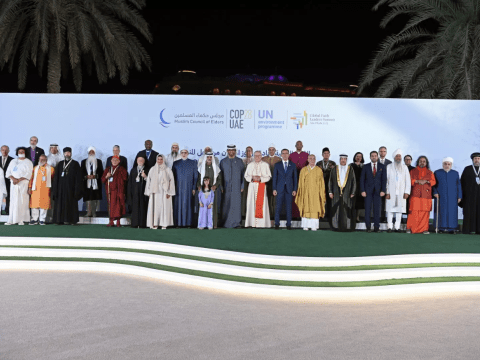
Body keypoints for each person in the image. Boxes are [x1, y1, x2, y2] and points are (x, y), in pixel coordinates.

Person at [52, 147, 83, 225]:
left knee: (71, 204)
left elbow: (78, 178)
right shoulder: (60, 164)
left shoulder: (75, 164)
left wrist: (77, 190)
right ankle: (59, 220)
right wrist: (55, 190)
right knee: (60, 204)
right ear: (63, 154)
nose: (67, 154)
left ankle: (72, 220)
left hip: (71, 188)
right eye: (65, 153)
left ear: (71, 153)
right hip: (61, 188)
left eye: (68, 152)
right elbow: (56, 178)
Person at [407, 156, 436, 234]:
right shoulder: (412, 171)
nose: (422, 162)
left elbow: (433, 182)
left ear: (426, 163)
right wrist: (417, 181)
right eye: (420, 161)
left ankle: (424, 229)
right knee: (413, 212)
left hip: (426, 196)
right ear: (418, 162)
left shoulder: (430, 172)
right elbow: (408, 180)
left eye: (424, 161)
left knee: (425, 213)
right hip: (415, 195)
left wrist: (426, 181)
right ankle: (410, 228)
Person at [145, 154, 175, 230]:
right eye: (158, 159)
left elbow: (171, 181)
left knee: (164, 208)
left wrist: (169, 192)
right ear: (156, 160)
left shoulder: (167, 169)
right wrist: (149, 192)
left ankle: (164, 224)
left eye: (161, 159)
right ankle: (155, 223)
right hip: (155, 192)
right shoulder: (152, 169)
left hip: (165, 192)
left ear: (163, 160)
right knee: (155, 208)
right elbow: (149, 181)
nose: (159, 161)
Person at [295, 154, 325, 231]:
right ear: (308, 160)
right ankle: (305, 225)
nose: (312, 160)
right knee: (306, 208)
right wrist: (301, 193)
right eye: (310, 158)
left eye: (313, 158)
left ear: (315, 160)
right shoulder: (303, 170)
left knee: (315, 208)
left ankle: (314, 226)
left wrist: (321, 194)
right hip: (306, 194)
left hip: (316, 194)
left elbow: (322, 184)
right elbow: (300, 184)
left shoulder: (319, 170)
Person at [4, 147, 33, 225]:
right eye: (19, 151)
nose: (21, 152)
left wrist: (19, 180)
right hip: (13, 184)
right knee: (13, 201)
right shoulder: (13, 161)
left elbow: (29, 173)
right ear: (17, 152)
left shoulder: (28, 162)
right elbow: (8, 172)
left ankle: (21, 220)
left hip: (23, 184)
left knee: (22, 201)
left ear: (25, 152)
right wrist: (13, 179)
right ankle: (11, 219)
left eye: (22, 151)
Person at [385, 149, 411, 232]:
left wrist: (407, 192)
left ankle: (397, 227)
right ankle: (389, 227)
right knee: (390, 210)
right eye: (397, 156)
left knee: (399, 210)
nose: (398, 158)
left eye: (399, 156)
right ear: (394, 157)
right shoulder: (389, 167)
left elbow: (408, 180)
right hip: (391, 192)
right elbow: (386, 180)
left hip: (401, 192)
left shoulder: (404, 167)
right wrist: (387, 192)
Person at [434, 157, 462, 234]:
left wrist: (459, 196)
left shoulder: (455, 173)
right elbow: (433, 184)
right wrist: (435, 192)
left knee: (452, 212)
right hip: (440, 196)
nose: (447, 165)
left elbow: (459, 185)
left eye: (448, 164)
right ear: (443, 164)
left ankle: (452, 229)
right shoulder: (437, 172)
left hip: (453, 196)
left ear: (451, 165)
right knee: (441, 211)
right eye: (445, 164)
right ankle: (440, 228)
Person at [360, 151, 387, 232]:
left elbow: (384, 179)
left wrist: (383, 190)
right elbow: (362, 180)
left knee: (377, 210)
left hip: (378, 192)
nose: (374, 157)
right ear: (370, 157)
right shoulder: (365, 166)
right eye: (372, 156)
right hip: (367, 191)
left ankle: (376, 227)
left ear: (377, 157)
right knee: (367, 210)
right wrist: (362, 190)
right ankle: (368, 227)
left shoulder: (382, 166)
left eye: (375, 156)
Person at [329, 154, 357, 232]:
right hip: (336, 193)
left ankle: (347, 227)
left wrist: (353, 192)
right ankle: (335, 227)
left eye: (345, 159)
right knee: (336, 210)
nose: (343, 160)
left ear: (346, 160)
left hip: (347, 194)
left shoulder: (350, 169)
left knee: (346, 210)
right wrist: (330, 192)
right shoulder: (334, 169)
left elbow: (353, 182)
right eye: (342, 159)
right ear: (340, 160)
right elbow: (330, 181)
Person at [244, 150, 272, 228]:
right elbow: (246, 176)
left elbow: (269, 177)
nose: (257, 157)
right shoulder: (250, 165)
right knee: (251, 204)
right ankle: (251, 223)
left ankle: (261, 224)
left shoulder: (265, 165)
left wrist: (261, 179)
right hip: (252, 186)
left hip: (261, 186)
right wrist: (252, 178)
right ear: (253, 156)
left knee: (262, 205)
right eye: (255, 156)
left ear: (261, 156)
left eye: (259, 156)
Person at [220, 144, 245, 228]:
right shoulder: (223, 161)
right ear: (227, 151)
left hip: (237, 187)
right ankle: (225, 223)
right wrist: (221, 186)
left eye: (233, 150)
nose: (231, 152)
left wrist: (242, 186)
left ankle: (236, 223)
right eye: (229, 150)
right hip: (226, 187)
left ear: (235, 151)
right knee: (226, 204)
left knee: (236, 205)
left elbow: (243, 175)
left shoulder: (239, 161)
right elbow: (220, 176)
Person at [172, 147, 198, 227]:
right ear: (180, 154)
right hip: (178, 188)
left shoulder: (193, 163)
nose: (183, 154)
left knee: (188, 204)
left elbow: (195, 177)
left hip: (189, 188)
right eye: (182, 153)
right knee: (178, 205)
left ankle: (188, 223)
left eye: (185, 153)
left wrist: (194, 188)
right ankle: (178, 223)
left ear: (188, 154)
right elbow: (173, 177)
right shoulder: (176, 163)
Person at [272, 148, 298, 230]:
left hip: (289, 190)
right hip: (279, 189)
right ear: (281, 155)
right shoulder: (277, 165)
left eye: (286, 153)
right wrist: (274, 189)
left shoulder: (293, 165)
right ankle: (276, 224)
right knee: (278, 207)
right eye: (283, 153)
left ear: (288, 154)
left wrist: (294, 189)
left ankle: (289, 224)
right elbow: (274, 178)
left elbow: (295, 179)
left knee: (289, 207)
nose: (285, 155)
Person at [197, 152, 222, 228]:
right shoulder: (201, 168)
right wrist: (198, 186)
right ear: (206, 158)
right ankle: (202, 224)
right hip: (203, 190)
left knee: (212, 206)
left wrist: (215, 186)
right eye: (208, 157)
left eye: (211, 157)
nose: (209, 158)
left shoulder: (216, 168)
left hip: (212, 191)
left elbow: (219, 179)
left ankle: (213, 224)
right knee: (203, 207)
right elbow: (198, 179)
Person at [101, 155, 128, 227]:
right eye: (113, 160)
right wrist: (107, 176)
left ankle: (118, 221)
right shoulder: (107, 169)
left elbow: (125, 179)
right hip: (110, 191)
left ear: (119, 161)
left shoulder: (122, 169)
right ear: (111, 161)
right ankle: (111, 221)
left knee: (119, 206)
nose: (114, 161)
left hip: (119, 191)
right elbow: (103, 180)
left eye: (116, 160)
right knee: (111, 206)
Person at [28, 155, 55, 225]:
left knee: (44, 205)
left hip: (46, 189)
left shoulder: (51, 168)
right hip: (35, 189)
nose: (42, 160)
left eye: (44, 159)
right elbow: (32, 178)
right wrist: (30, 187)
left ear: (46, 160)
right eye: (41, 159)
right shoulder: (35, 168)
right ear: (38, 159)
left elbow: (54, 179)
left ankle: (42, 220)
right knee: (34, 205)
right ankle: (34, 219)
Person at [460, 152, 480, 234]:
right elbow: (462, 182)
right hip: (469, 196)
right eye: (475, 159)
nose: (477, 160)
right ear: (472, 160)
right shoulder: (467, 169)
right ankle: (467, 230)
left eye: (478, 159)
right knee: (468, 212)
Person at [81, 146, 104, 217]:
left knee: (95, 198)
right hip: (87, 183)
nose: (91, 153)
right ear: (88, 153)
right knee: (88, 198)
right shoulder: (83, 161)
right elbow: (81, 172)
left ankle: (94, 212)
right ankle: (88, 212)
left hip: (96, 183)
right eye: (90, 152)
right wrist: (86, 176)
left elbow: (101, 172)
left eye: (92, 152)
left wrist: (95, 176)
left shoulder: (99, 161)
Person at [127, 156, 149, 228]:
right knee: (135, 208)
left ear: (144, 161)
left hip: (144, 193)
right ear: (136, 161)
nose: (140, 162)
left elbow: (151, 182)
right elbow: (130, 183)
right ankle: (135, 223)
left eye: (142, 160)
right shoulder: (133, 170)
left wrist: (145, 177)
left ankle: (143, 224)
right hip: (135, 193)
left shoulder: (147, 170)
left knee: (143, 208)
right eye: (139, 160)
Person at [262, 144, 281, 224]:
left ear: (275, 150)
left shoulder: (279, 159)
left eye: (273, 149)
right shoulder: (264, 159)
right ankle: (267, 215)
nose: (271, 151)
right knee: (267, 198)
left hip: (276, 182)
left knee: (275, 200)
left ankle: (274, 215)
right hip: (266, 182)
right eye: (270, 149)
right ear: (268, 150)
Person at [289, 140, 309, 219]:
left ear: (302, 146)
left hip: (303, 179)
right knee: (294, 196)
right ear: (295, 145)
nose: (299, 146)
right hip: (293, 179)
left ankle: (302, 214)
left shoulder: (306, 155)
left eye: (300, 144)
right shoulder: (291, 155)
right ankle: (294, 215)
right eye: (298, 144)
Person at [316, 147, 336, 222]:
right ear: (322, 155)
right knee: (321, 200)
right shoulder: (318, 163)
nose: (326, 155)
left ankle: (329, 215)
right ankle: (321, 214)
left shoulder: (333, 163)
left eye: (327, 154)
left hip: (330, 185)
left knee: (329, 201)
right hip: (320, 184)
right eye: (325, 154)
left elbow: (334, 174)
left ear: (329, 155)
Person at [350, 152, 365, 222]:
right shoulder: (351, 165)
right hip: (352, 185)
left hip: (360, 186)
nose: (358, 158)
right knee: (352, 202)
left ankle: (357, 217)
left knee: (359, 203)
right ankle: (351, 216)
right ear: (355, 157)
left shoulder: (364, 166)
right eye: (357, 156)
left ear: (362, 158)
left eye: (360, 156)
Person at [241, 146, 254, 219]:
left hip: (252, 182)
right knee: (244, 198)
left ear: (252, 152)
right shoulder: (242, 161)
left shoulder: (255, 161)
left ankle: (251, 216)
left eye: (250, 151)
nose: (248, 152)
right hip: (244, 182)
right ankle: (243, 215)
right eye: (247, 151)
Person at [0, 145, 13, 215]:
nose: (4, 151)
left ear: (8, 151)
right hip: (0, 182)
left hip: (8, 182)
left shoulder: (12, 160)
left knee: (9, 197)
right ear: (0, 151)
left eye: (6, 150)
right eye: (2, 150)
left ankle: (8, 211)